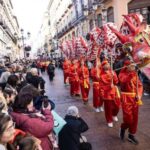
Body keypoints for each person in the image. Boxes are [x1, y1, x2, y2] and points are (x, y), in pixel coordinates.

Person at [119, 60, 143, 144]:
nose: (133, 67)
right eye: (131, 66)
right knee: (128, 119)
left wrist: (139, 94)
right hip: (126, 98)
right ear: (126, 66)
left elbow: (140, 86)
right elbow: (124, 80)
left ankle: (131, 135)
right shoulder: (122, 74)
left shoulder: (135, 75)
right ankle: (123, 128)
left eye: (133, 66)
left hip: (135, 99)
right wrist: (132, 73)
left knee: (135, 118)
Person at [99, 60, 120, 127]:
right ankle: (109, 120)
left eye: (108, 63)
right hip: (107, 93)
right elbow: (101, 86)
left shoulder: (112, 72)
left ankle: (114, 114)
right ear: (103, 66)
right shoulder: (102, 76)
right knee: (108, 108)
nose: (107, 65)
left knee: (117, 105)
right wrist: (108, 87)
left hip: (115, 91)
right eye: (106, 64)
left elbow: (116, 82)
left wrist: (114, 76)